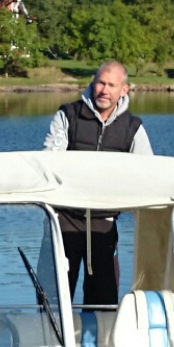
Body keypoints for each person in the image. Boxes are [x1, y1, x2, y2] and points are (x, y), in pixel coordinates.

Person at [43, 61, 151, 304]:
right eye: (101, 83)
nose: (104, 90)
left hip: (104, 224)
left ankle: (97, 330)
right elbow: (49, 162)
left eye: (112, 85)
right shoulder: (67, 115)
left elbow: (147, 174)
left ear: (124, 90)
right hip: (63, 220)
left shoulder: (133, 127)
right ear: (93, 83)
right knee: (52, 301)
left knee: (104, 303)